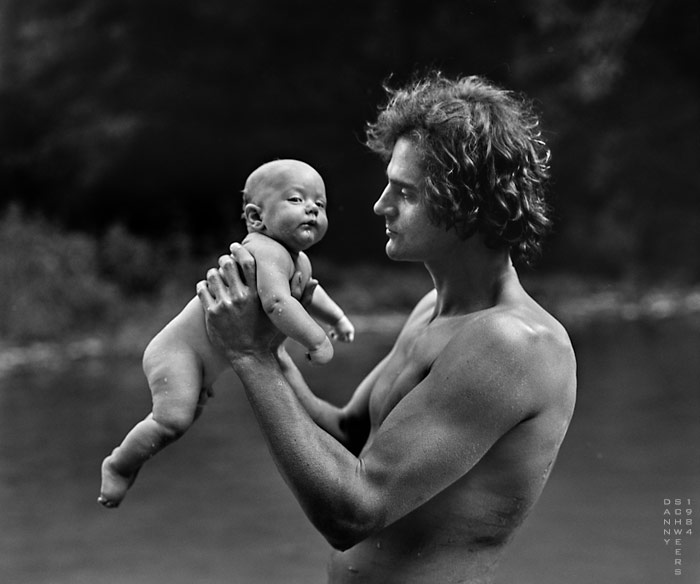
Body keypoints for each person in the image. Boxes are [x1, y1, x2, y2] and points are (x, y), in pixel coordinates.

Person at [197, 72, 577, 583]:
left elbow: (353, 511)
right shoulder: (432, 311)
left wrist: (252, 359)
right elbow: (350, 434)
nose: (380, 204)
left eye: (405, 191)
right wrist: (267, 342)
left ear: (465, 201)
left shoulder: (512, 342)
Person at [99, 159, 355, 508]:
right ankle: (119, 465)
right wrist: (317, 339)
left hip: (205, 359)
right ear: (255, 217)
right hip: (178, 352)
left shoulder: (295, 259)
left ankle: (127, 460)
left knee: (186, 417)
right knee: (171, 421)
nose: (311, 208)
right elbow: (278, 302)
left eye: (320, 204)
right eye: (296, 200)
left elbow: (307, 292)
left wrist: (337, 318)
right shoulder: (264, 251)